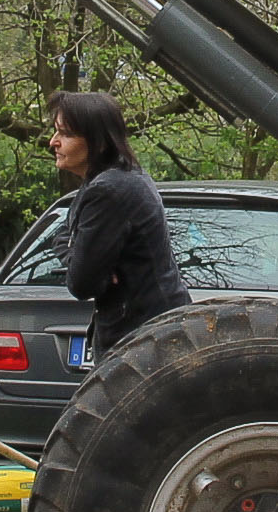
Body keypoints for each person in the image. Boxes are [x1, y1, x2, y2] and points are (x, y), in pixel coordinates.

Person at [49, 90, 188, 361]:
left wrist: (88, 267)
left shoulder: (110, 190)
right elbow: (62, 236)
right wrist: (80, 256)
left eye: (64, 134)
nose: (53, 142)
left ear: (98, 141)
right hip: (145, 336)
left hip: (145, 344)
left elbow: (81, 283)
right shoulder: (107, 181)